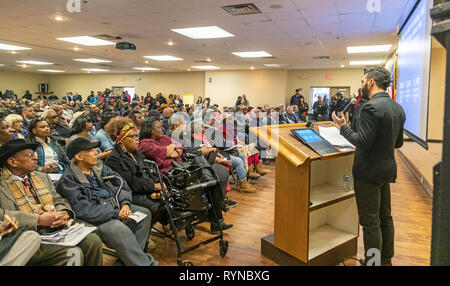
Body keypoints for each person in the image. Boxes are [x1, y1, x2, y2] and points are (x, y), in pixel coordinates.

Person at [332, 66, 406, 266]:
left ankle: (373, 263)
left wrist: (342, 127)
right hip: (386, 170)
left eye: (363, 81)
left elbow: (362, 141)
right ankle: (385, 259)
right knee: (385, 217)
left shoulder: (369, 107)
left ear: (371, 82)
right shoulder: (397, 108)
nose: (361, 85)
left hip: (368, 172)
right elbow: (398, 143)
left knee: (370, 223)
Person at [0, 139, 103, 266]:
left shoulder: (42, 177)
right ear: (12, 162)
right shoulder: (2, 183)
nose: (35, 158)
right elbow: (2, 213)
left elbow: (58, 199)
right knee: (72, 253)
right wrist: (37, 220)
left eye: (34, 153)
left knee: (93, 241)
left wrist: (64, 212)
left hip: (54, 228)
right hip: (24, 233)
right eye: (29, 155)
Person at [57, 138, 158, 266]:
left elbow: (122, 185)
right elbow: (84, 210)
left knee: (144, 214)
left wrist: (125, 204)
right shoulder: (69, 179)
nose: (96, 153)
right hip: (94, 218)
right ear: (79, 156)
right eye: (91, 150)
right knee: (118, 229)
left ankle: (128, 261)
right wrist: (116, 214)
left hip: (114, 206)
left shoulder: (99, 167)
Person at [138, 119, 233, 234]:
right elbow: (168, 151)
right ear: (150, 130)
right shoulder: (144, 144)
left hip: (183, 168)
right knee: (208, 178)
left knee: (211, 179)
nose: (161, 129)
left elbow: (180, 149)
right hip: (169, 174)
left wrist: (172, 152)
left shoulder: (164, 138)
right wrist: (171, 151)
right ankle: (218, 216)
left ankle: (217, 219)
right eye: (158, 127)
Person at [104, 118, 166, 228]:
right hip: (130, 194)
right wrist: (154, 186)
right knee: (159, 207)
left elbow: (148, 173)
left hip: (145, 188)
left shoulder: (135, 153)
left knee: (173, 199)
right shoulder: (114, 158)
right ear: (121, 140)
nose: (136, 139)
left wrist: (160, 183)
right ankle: (142, 234)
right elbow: (131, 183)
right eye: (132, 137)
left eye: (136, 135)